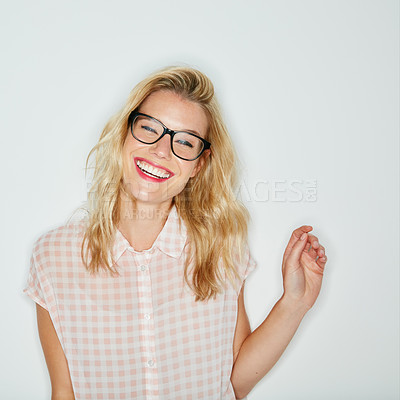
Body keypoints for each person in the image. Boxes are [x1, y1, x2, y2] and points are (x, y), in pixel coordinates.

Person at [23, 66, 328, 400]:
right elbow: (64, 392)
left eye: (184, 141)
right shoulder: (54, 256)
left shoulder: (220, 248)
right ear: (125, 133)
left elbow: (234, 383)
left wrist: (295, 301)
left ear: (198, 164)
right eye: (149, 128)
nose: (161, 150)